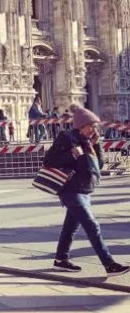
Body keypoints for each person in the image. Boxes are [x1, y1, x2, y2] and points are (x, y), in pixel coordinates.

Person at [44, 104, 130, 276]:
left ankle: (61, 259)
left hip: (83, 189)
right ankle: (109, 264)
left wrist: (96, 146)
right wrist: (72, 154)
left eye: (96, 127)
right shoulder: (66, 138)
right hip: (70, 189)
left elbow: (99, 165)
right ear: (80, 126)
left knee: (71, 227)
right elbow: (49, 160)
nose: (94, 130)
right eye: (91, 126)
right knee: (92, 226)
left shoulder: (88, 142)